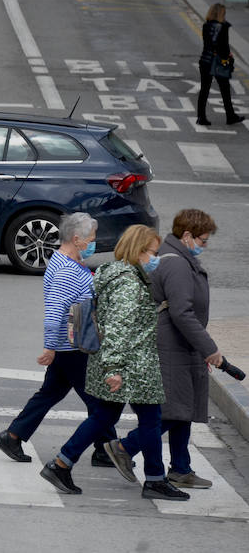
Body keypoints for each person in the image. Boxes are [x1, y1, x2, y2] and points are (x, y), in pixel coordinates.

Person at [41, 225, 188, 501]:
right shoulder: (129, 284)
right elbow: (119, 328)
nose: (156, 258)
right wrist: (114, 369)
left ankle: (60, 464)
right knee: (150, 420)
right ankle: (154, 479)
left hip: (125, 364)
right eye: (153, 253)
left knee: (105, 416)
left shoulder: (116, 274)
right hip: (132, 367)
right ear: (139, 251)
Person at [107, 210, 221, 491]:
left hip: (180, 347)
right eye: (202, 240)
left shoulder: (177, 257)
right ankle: (124, 447)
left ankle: (181, 468)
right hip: (173, 347)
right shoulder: (178, 265)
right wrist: (209, 348)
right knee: (172, 411)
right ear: (187, 236)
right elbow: (182, 313)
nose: (204, 246)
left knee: (183, 408)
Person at [0, 213, 116, 467]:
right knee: (100, 402)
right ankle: (105, 449)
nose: (94, 243)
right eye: (91, 239)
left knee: (50, 393)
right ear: (76, 239)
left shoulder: (68, 262)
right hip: (72, 346)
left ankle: (12, 436)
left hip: (68, 345)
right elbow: (54, 312)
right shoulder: (65, 271)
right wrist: (50, 347)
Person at [196, 3, 242, 127]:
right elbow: (224, 47)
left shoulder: (206, 26)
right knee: (225, 89)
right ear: (221, 14)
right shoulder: (223, 27)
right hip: (219, 62)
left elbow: (208, 44)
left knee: (204, 90)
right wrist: (229, 58)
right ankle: (230, 116)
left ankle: (201, 117)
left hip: (205, 61)